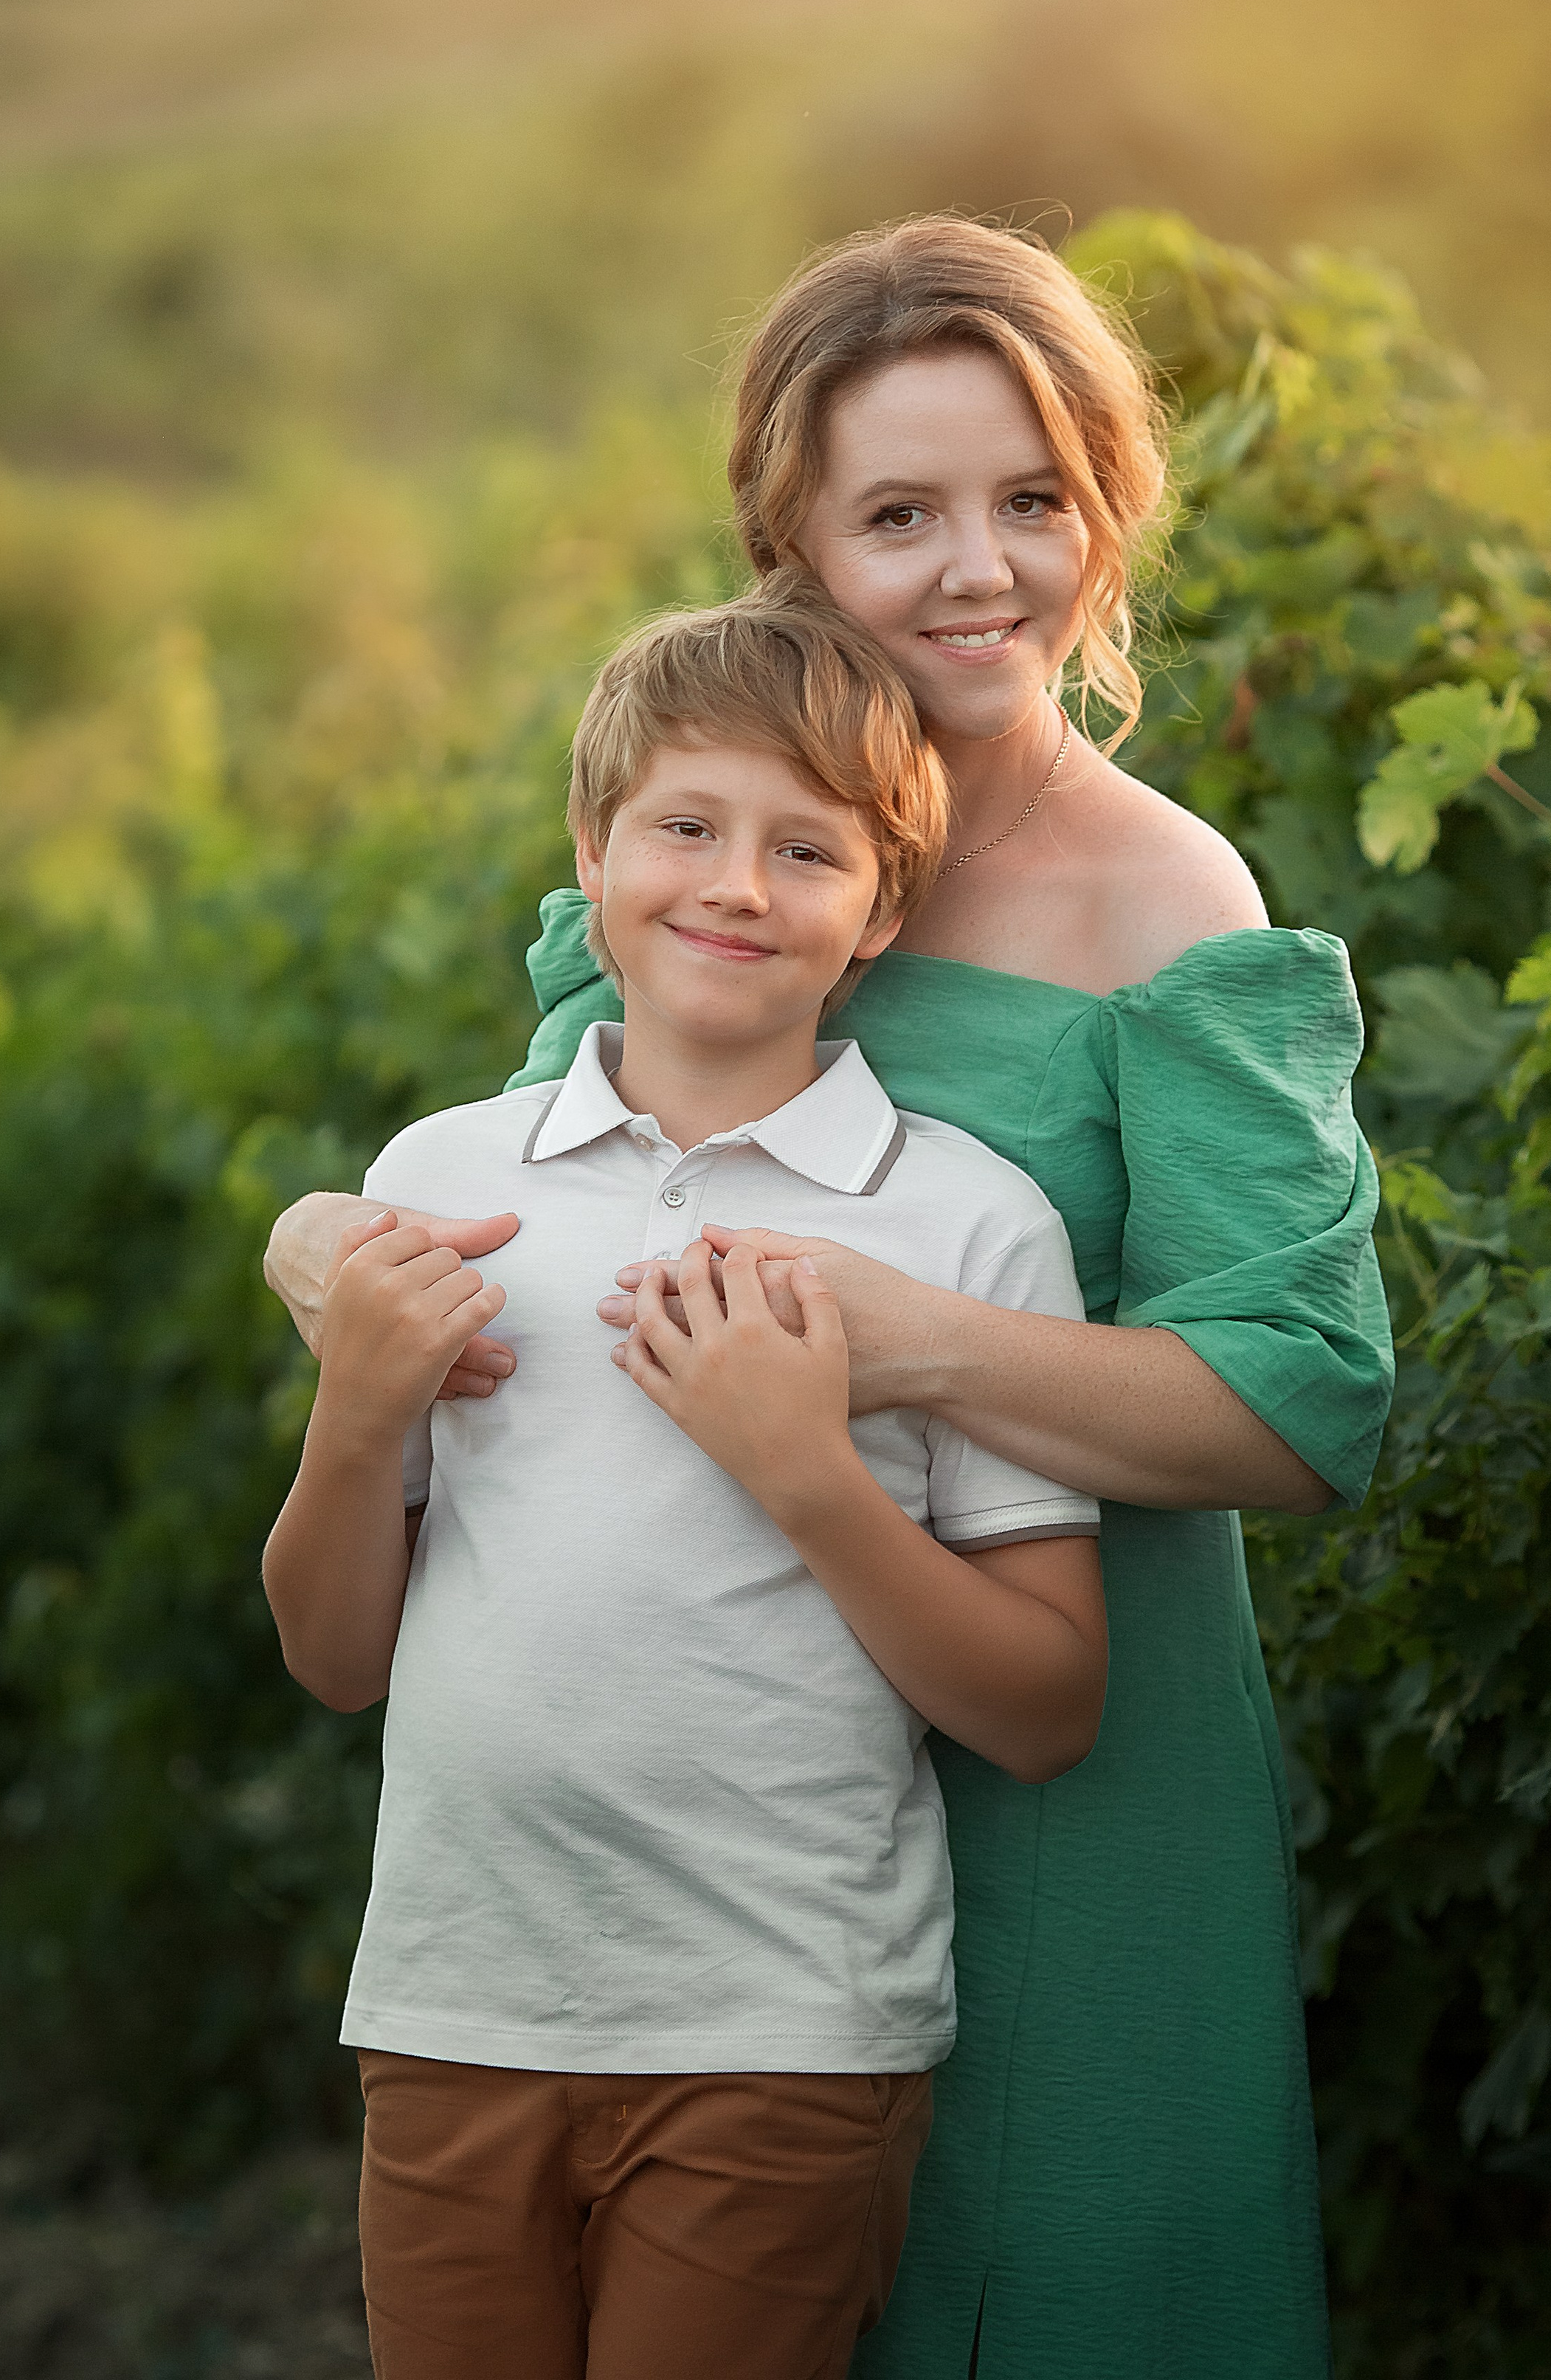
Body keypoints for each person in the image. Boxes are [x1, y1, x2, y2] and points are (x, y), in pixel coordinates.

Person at [266, 216, 1395, 2379]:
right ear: (789, 539)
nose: (982, 570)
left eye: (1033, 498)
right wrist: (314, 1244)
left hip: (1057, 1750)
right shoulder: (724, 866)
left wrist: (901, 1348)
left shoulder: (1170, 898)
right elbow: (529, 1203)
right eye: (900, 515)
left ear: (1108, 509)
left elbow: (1301, 1405)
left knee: (1042, 2299)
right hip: (697, 1791)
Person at [261, 590, 1109, 2380]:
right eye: (685, 828)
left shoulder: (964, 1223)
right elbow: (335, 1660)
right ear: (592, 851)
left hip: (781, 2028)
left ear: (882, 908)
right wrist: (355, 1411)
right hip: (454, 2006)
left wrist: (807, 1478)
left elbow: (1044, 1708)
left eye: (807, 849)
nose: (735, 886)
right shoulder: (440, 1185)